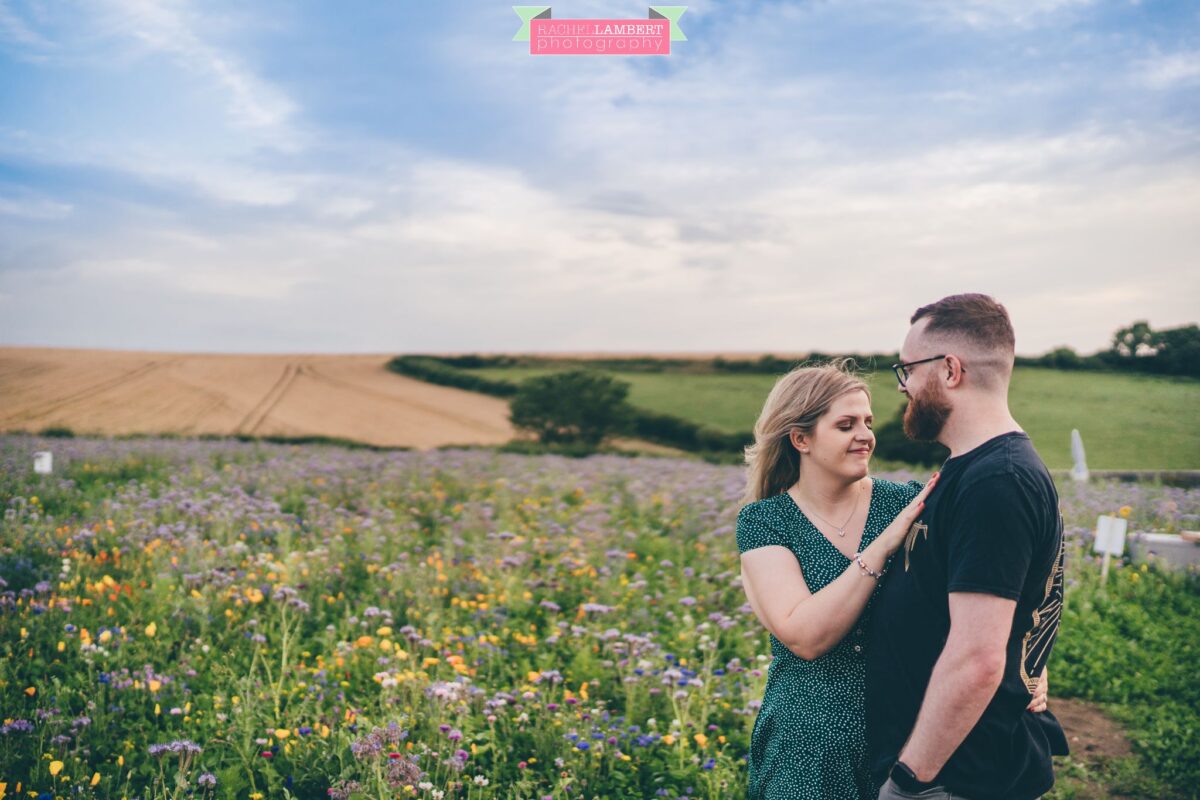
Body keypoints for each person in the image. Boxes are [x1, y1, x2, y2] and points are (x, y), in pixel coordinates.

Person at [736, 360, 1046, 800]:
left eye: (866, 421)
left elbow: (991, 586)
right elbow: (805, 637)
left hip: (909, 741)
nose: (865, 435)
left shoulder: (908, 500)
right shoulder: (766, 522)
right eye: (845, 425)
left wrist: (1027, 661)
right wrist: (881, 546)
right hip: (809, 747)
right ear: (800, 439)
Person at [865, 294, 1069, 800]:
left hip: (956, 778)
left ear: (950, 370)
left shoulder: (998, 481)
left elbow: (978, 658)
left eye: (908, 369)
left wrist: (910, 780)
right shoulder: (974, 471)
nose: (905, 385)